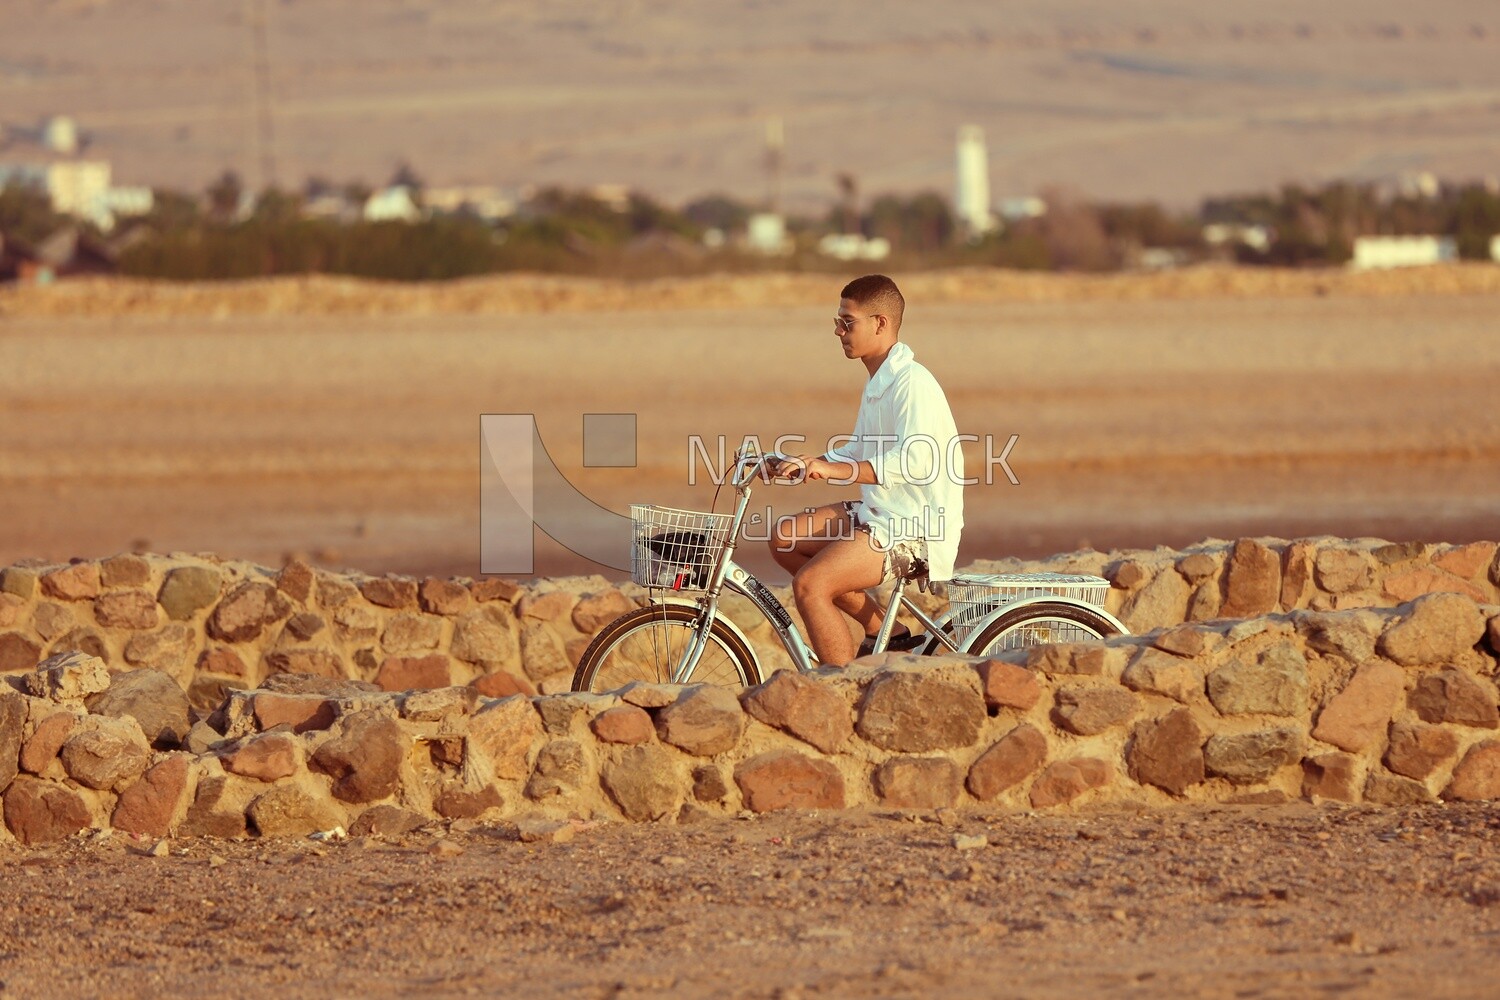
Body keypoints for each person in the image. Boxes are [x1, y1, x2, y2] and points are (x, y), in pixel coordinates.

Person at [767, 274, 964, 666]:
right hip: (882, 512)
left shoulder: (912, 383)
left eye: (847, 322)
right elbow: (858, 448)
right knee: (784, 539)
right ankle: (885, 632)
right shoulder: (880, 381)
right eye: (837, 322)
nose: (838, 331)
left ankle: (840, 688)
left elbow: (916, 461)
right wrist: (806, 463)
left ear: (880, 323)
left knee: (811, 585)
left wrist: (835, 471)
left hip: (915, 527)